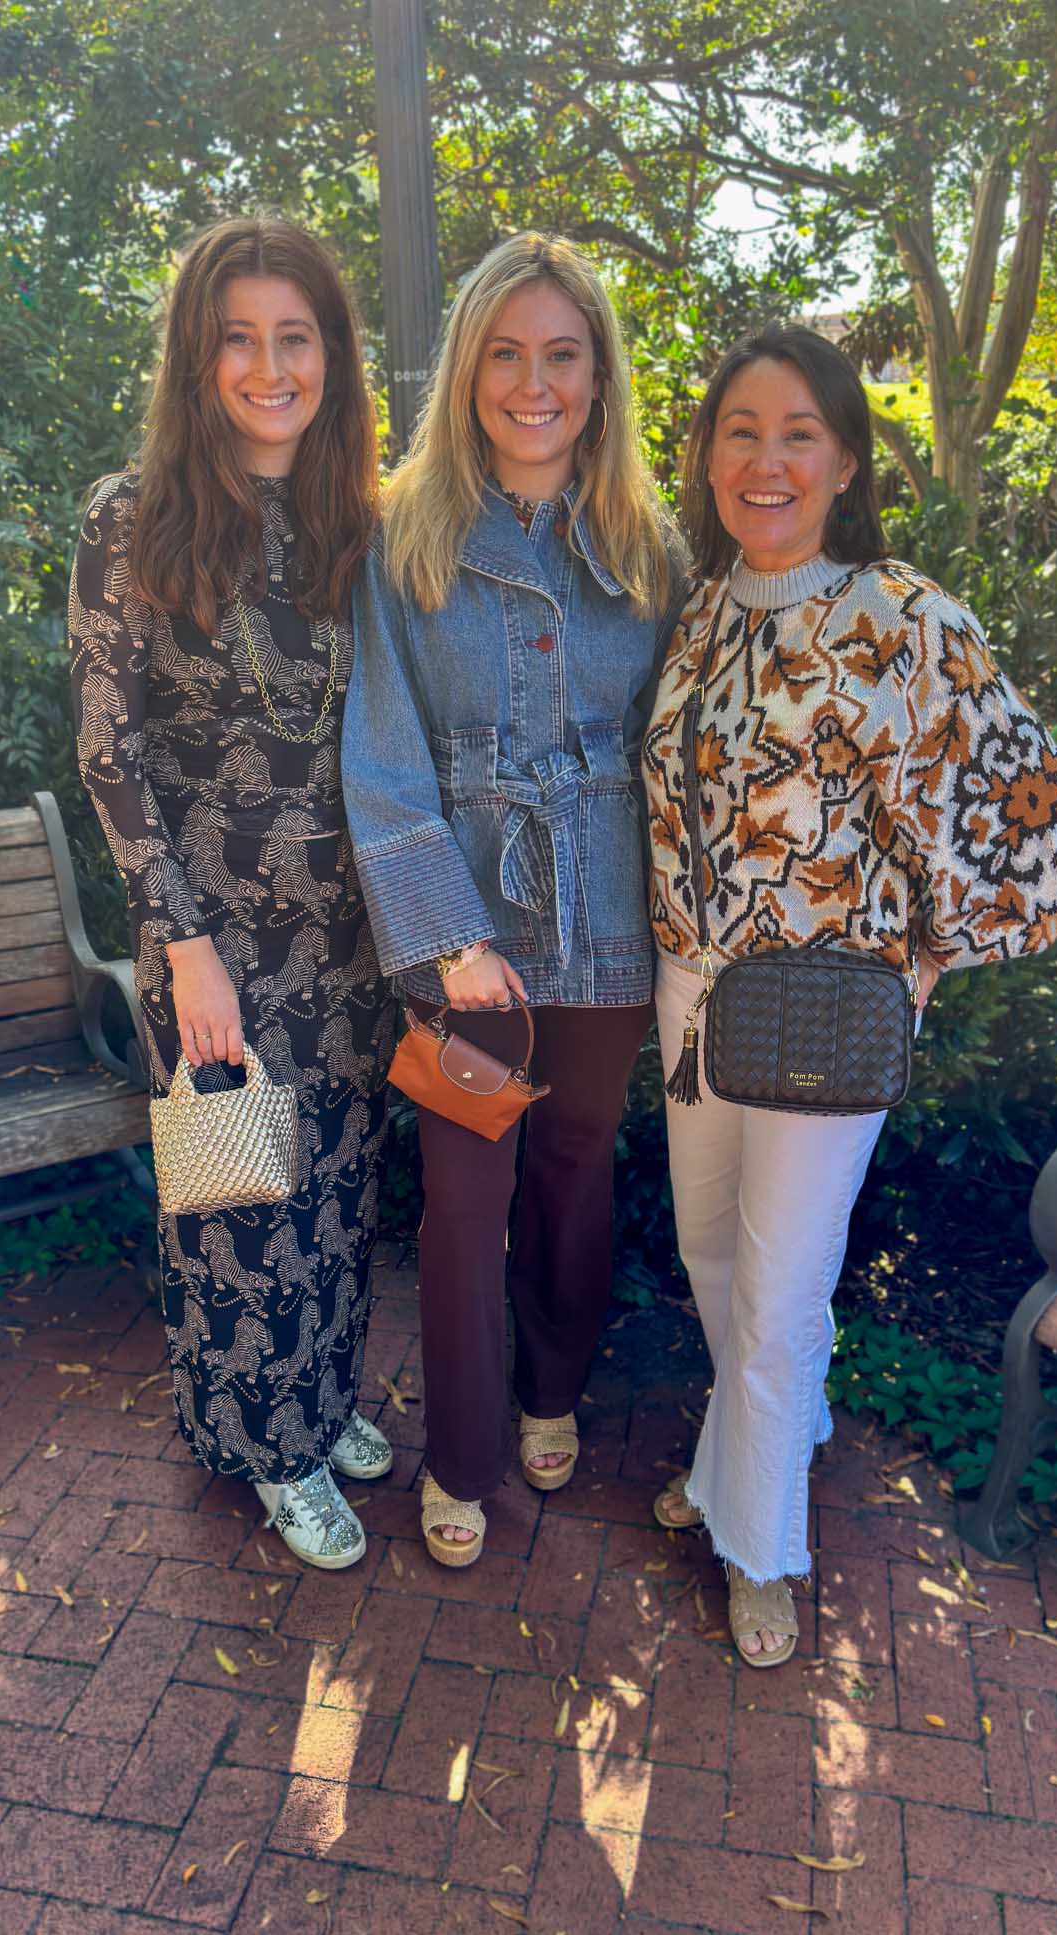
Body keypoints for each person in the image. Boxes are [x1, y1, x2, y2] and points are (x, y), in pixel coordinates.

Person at [640, 325, 1057, 1665]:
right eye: (741, 432)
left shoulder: (899, 613)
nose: (765, 461)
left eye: (800, 436)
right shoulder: (703, 609)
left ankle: (760, 1543)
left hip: (828, 1003)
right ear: (707, 455)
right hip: (693, 991)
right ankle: (755, 1446)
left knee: (782, 1285)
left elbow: (1027, 792)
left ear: (844, 464)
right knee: (713, 1252)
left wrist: (929, 957)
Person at [342, 231, 679, 1566]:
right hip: (465, 944)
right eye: (504, 355)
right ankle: (464, 1452)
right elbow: (382, 754)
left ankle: (554, 1386)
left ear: (599, 378)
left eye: (562, 356)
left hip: (613, 928)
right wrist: (449, 940)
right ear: (466, 371)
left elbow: (679, 745)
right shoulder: (405, 535)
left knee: (576, 1168)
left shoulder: (647, 547)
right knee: (464, 1194)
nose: (533, 386)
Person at [69, 217, 395, 1570]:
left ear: (331, 355)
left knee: (339, 1183)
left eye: (294, 338)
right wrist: (181, 942)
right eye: (238, 339)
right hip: (210, 942)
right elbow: (109, 750)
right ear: (196, 359)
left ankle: (319, 1399)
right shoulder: (130, 516)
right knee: (239, 1205)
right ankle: (267, 1449)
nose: (269, 368)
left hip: (350, 935)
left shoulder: (355, 519)